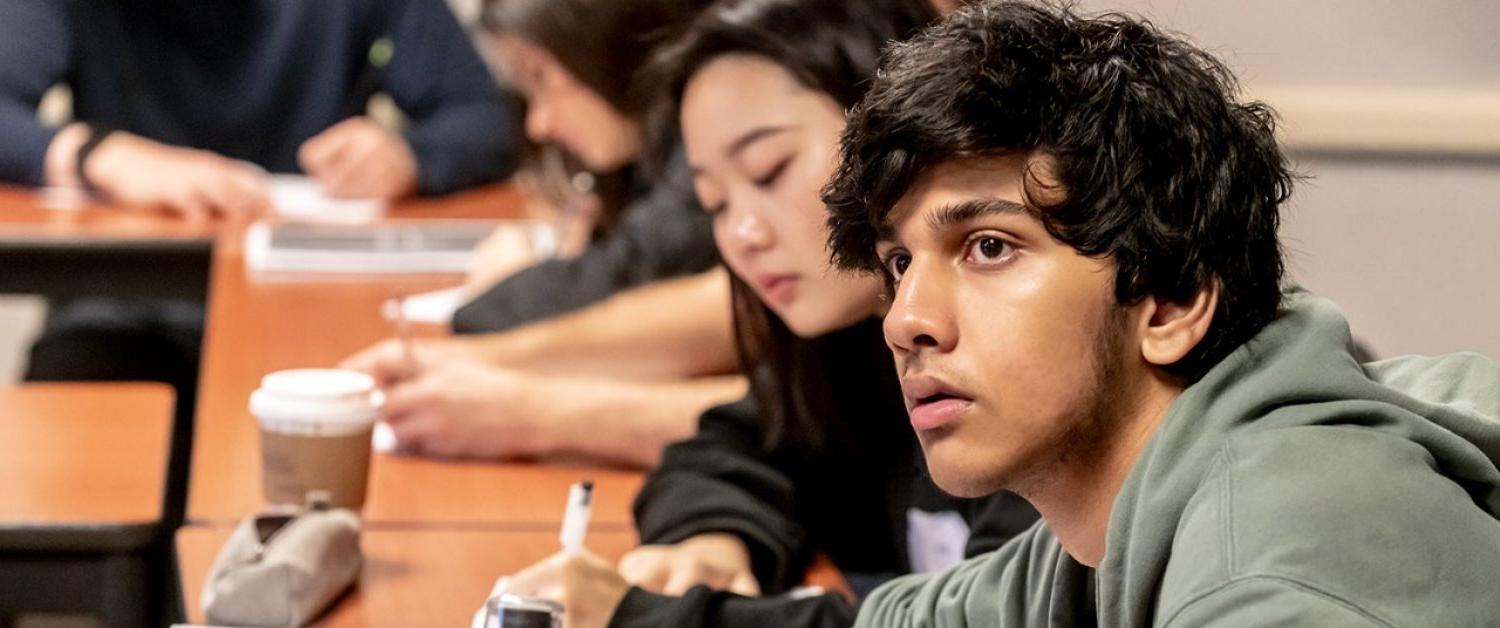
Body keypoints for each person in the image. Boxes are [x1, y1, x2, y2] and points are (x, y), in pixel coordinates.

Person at [813, 2, 1500, 625]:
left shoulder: (1269, 571)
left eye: (989, 248)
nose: (905, 322)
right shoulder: (1120, 518)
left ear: (1172, 302)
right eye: (900, 263)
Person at [488, 2, 1039, 627]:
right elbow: (739, 441)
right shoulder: (852, 344)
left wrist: (653, 617)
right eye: (714, 203)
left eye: (767, 171)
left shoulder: (1024, 362)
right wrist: (713, 536)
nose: (743, 234)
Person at [0, 0, 517, 213]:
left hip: (312, 289)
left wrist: (410, 158)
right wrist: (100, 155)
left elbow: (486, 116)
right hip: (120, 301)